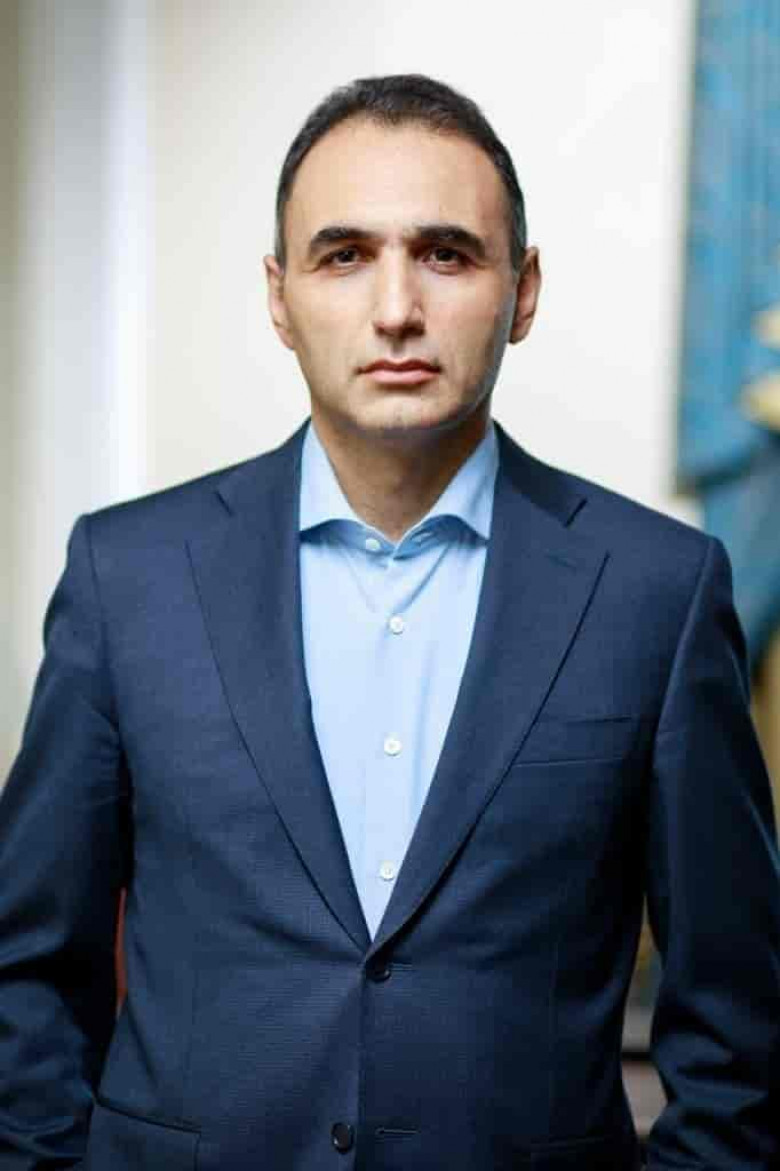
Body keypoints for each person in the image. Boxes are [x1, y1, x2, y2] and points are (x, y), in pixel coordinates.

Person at [0, 74, 778, 1171]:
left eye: (447, 254)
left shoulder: (660, 590)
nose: (397, 308)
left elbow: (738, 1023)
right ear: (280, 296)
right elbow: (28, 973)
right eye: (344, 255)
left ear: (523, 291)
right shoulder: (127, 576)